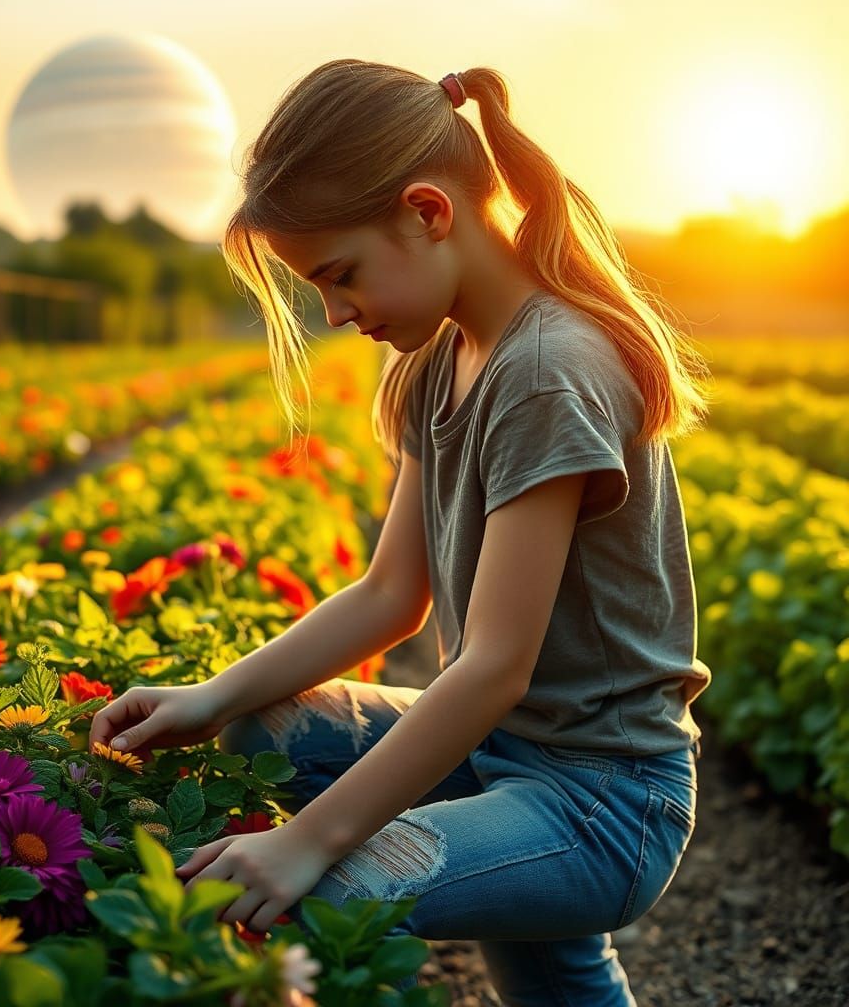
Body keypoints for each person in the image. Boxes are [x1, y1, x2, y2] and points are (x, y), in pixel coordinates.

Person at [89, 59, 715, 1006]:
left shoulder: (549, 371)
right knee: (255, 724)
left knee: (334, 891)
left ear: (428, 213)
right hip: (501, 754)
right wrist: (209, 697)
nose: (336, 314)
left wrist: (305, 843)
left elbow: (493, 666)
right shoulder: (436, 366)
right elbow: (392, 596)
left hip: (603, 799)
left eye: (340, 277)